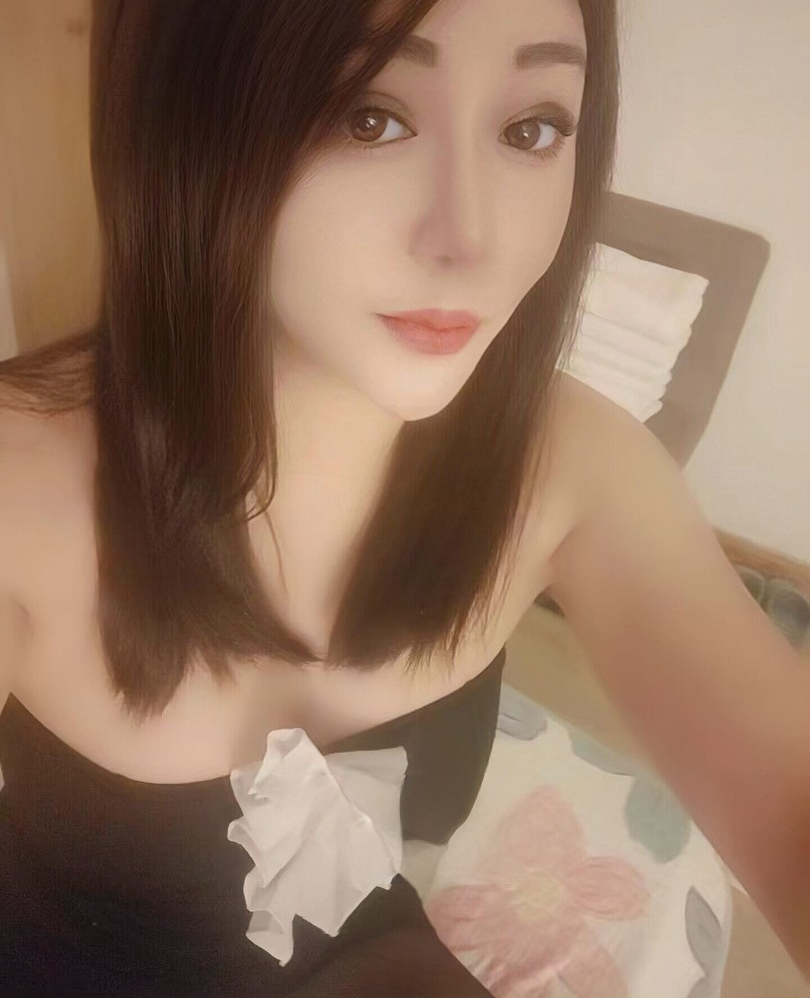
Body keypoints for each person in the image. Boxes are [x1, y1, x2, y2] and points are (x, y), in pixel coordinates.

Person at [8, 0, 806, 992]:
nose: (472, 240)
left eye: (532, 128)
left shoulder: (572, 465)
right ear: (182, 117)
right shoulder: (20, 489)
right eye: (369, 116)